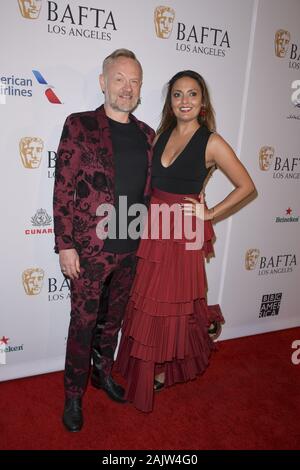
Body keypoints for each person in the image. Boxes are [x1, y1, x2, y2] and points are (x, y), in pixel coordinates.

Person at [116, 70, 256, 412]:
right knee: (149, 302)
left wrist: (209, 214)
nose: (184, 101)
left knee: (172, 304)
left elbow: (247, 186)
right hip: (155, 227)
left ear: (202, 101)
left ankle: (162, 371)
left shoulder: (212, 142)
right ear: (170, 101)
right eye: (177, 94)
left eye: (192, 94)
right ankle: (150, 367)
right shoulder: (160, 135)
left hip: (184, 231)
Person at [53, 49, 155, 432]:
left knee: (112, 321)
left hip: (132, 247)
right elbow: (63, 189)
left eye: (134, 81)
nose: (126, 88)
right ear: (103, 82)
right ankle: (73, 397)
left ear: (140, 88)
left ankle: (102, 374)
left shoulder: (147, 135)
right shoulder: (78, 125)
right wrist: (65, 244)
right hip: (90, 252)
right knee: (83, 325)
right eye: (119, 79)